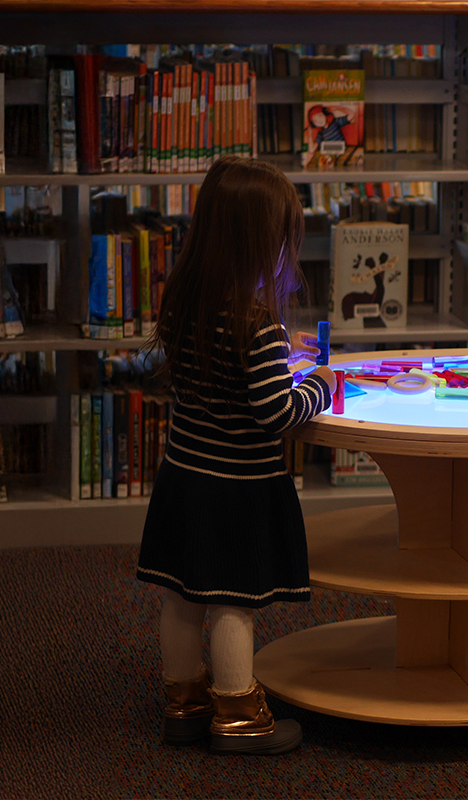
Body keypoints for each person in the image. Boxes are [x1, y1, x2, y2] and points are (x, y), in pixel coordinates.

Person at [136, 156, 336, 754]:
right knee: (232, 600)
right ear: (261, 244)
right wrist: (321, 384)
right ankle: (239, 712)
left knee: (180, 593)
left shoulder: (186, 299)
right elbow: (276, 412)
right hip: (237, 487)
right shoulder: (257, 326)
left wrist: (281, 357)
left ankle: (184, 701)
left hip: (184, 476)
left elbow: (222, 375)